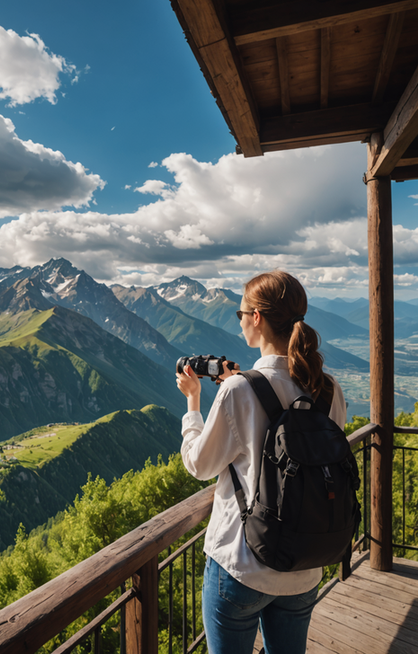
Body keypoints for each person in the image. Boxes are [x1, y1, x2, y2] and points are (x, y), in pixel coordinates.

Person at [175, 270, 346, 654]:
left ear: (257, 318)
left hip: (243, 563)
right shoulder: (329, 389)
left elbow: (200, 466)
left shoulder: (240, 389)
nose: (240, 322)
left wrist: (193, 404)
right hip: (306, 563)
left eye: (240, 314)